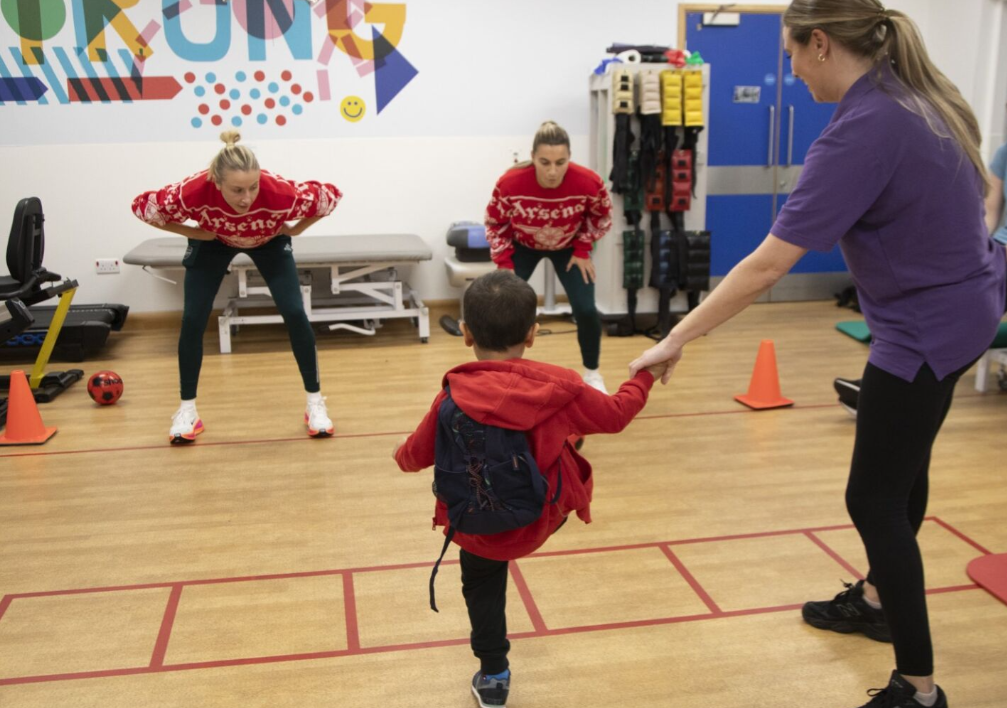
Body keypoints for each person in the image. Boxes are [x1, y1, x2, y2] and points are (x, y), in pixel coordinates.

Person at [629, 2, 1005, 707]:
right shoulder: (913, 94)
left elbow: (767, 267)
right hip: (966, 310)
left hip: (924, 329)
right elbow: (980, 191)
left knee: (872, 499)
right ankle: (874, 598)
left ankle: (917, 688)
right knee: (902, 475)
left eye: (792, 54)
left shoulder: (864, 129)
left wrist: (675, 337)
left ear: (821, 43)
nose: (791, 69)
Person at [393, 270, 663, 708]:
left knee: (481, 587)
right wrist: (645, 375)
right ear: (533, 334)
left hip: (477, 527)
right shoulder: (563, 386)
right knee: (567, 435)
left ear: (465, 334)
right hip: (542, 516)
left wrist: (398, 453)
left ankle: (494, 674)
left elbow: (415, 456)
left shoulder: (451, 396)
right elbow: (616, 415)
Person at [834, 69, 1007, 415]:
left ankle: (895, 391)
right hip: (1003, 245)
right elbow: (989, 211)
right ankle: (894, 383)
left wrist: (989, 260)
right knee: (947, 285)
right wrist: (976, 249)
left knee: (976, 296)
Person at [131, 131, 342, 443]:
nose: (247, 197)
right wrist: (195, 234)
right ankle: (187, 410)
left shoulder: (280, 193)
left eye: (253, 187)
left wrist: (295, 228)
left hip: (268, 242)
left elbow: (330, 197)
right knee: (192, 318)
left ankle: (315, 403)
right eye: (237, 190)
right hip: (214, 243)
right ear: (216, 182)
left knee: (295, 313)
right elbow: (142, 208)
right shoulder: (191, 191)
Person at [484, 121, 614, 393]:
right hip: (522, 246)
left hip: (569, 248)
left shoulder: (589, 182)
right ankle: (499, 373)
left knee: (587, 309)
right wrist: (504, 263)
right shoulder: (510, 182)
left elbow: (601, 217)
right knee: (502, 307)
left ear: (569, 158)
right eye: (545, 162)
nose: (553, 171)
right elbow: (495, 222)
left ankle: (592, 373)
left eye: (561, 162)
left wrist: (582, 248)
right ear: (532, 158)